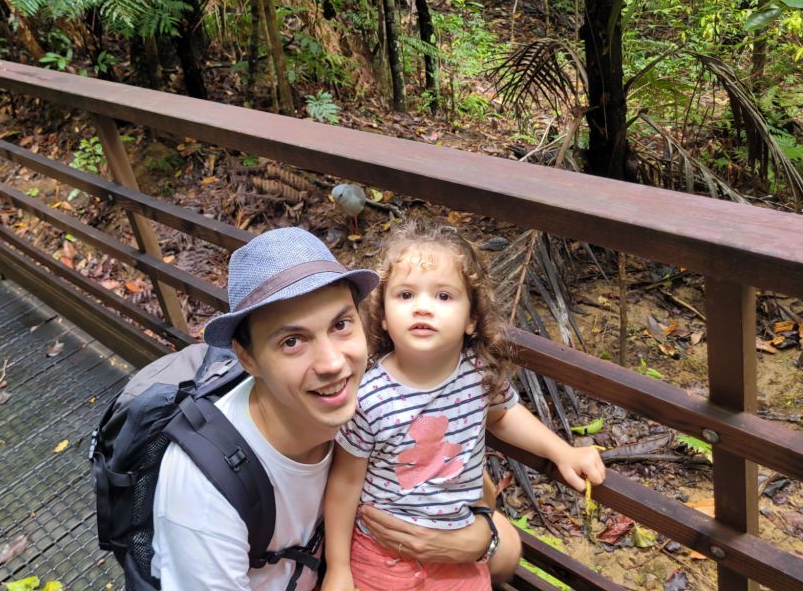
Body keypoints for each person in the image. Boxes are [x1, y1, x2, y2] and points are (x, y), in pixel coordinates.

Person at [323, 222, 607, 591]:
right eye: (405, 295)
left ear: (471, 318)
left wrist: (562, 451)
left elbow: (503, 416)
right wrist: (338, 568)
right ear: (383, 316)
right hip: (382, 555)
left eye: (443, 296)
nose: (423, 307)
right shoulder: (369, 395)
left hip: (458, 551)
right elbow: (345, 483)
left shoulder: (476, 374)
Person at [151, 226, 380, 590]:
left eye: (341, 324)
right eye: (292, 342)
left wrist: (474, 538)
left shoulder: (370, 401)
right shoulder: (203, 492)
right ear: (247, 358)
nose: (334, 363)